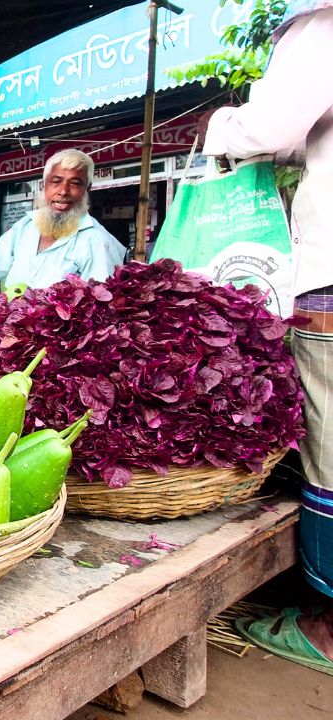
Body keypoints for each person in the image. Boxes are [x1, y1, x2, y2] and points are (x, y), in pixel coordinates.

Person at [201, 3, 333, 674]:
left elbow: (273, 128)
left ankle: (328, 628)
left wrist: (218, 125)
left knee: (332, 451)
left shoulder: (321, 23)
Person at [0, 149, 126, 289]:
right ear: (44, 185)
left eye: (75, 183)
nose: (63, 191)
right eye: (56, 181)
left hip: (58, 337)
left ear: (88, 189)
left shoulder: (98, 242)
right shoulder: (27, 226)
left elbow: (100, 309)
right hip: (10, 326)